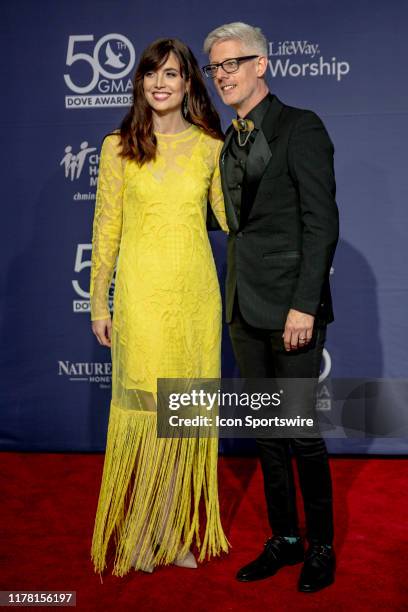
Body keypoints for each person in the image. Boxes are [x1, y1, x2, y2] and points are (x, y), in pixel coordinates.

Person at [202, 22, 339, 592]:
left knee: (301, 430)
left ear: (262, 64)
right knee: (266, 432)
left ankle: (321, 545)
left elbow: (321, 221)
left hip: (291, 310)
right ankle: (284, 537)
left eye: (232, 63)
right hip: (243, 307)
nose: (222, 76)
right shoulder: (224, 142)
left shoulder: (299, 127)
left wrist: (304, 306)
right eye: (215, 68)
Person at [90, 38, 229, 578]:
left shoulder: (211, 148)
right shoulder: (117, 146)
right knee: (150, 414)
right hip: (141, 300)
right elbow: (106, 230)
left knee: (185, 418)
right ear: (141, 83)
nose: (160, 83)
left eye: (171, 73)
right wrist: (97, 303)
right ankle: (142, 532)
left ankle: (173, 533)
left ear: (189, 82)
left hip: (195, 298)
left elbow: (230, 217)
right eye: (151, 74)